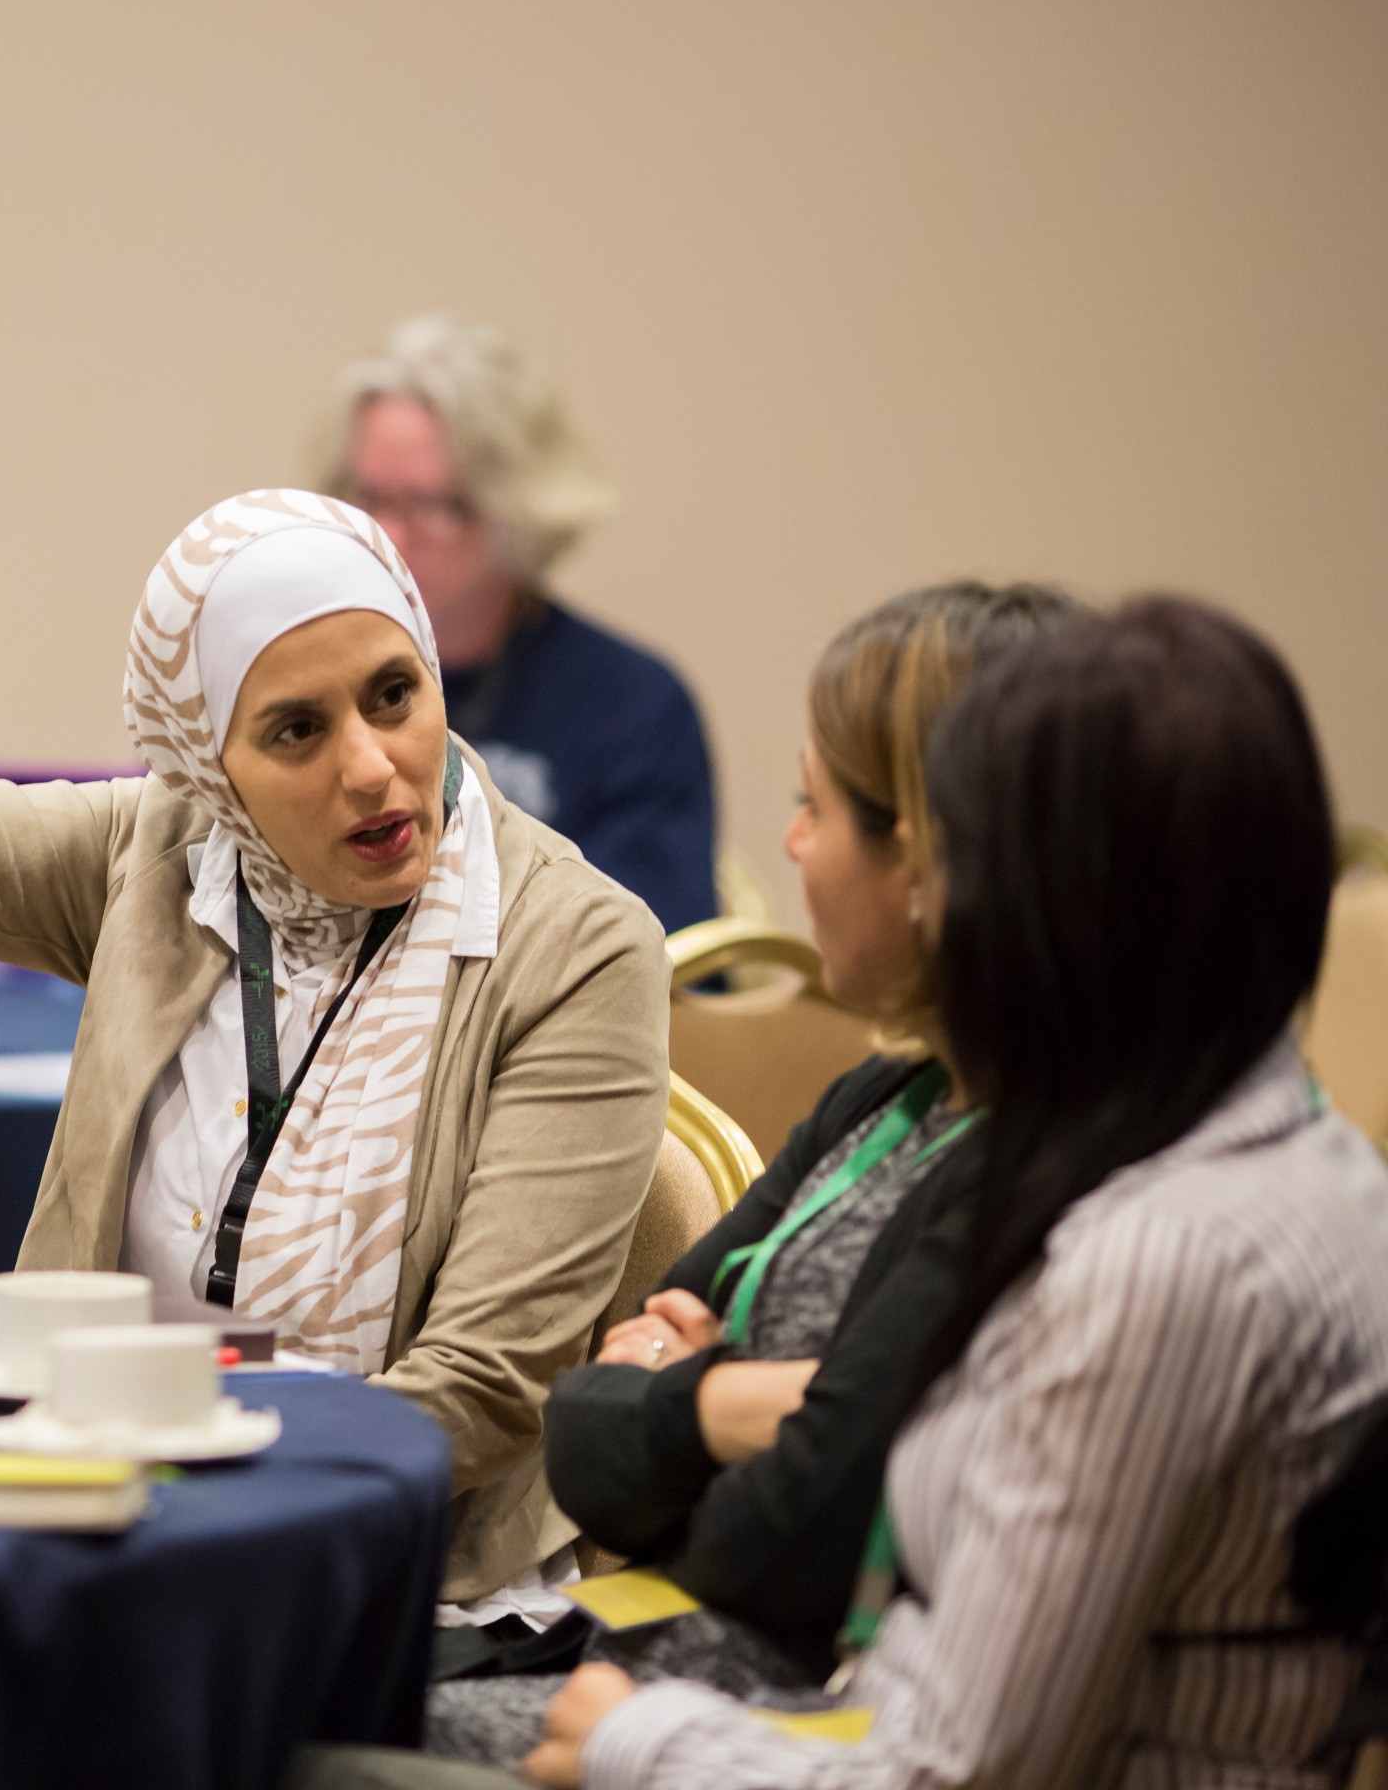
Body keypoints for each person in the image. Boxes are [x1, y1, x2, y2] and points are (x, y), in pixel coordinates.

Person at [307, 598, 1388, 1788]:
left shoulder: (1152, 1253)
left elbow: (946, 1767)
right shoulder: (1306, 1158)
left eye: (961, 855)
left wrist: (630, 1739)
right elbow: (618, 1445)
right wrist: (734, 1413)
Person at [0, 484, 669, 1608]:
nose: (371, 767)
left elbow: (482, 1391)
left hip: (386, 1570)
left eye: (394, 695)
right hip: (95, 1518)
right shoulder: (162, 856)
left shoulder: (578, 948)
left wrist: (189, 1486)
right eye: (297, 731)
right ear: (210, 769)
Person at [416, 582, 1083, 1754]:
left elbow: (800, 1538)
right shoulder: (885, 1100)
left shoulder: (1038, 1167)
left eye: (815, 806)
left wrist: (686, 1398)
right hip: (639, 1659)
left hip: (769, 1733)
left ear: (927, 857)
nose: (789, 844)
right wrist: (735, 1410)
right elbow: (585, 1439)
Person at [326, 317, 716, 934]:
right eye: (371, 498)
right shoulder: (314, 681)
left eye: (430, 505)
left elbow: (641, 941)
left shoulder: (633, 705)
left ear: (514, 508)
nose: (388, 536)